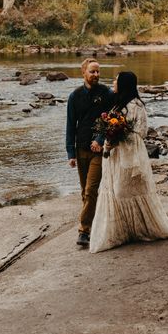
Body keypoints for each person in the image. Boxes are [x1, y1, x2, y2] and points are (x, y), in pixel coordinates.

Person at [90, 71, 168, 253]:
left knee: (127, 189)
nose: (113, 82)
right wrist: (110, 135)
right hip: (115, 154)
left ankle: (139, 228)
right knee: (114, 190)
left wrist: (119, 134)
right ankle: (121, 231)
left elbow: (142, 131)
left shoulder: (136, 105)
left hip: (129, 154)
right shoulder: (117, 104)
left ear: (124, 84)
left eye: (116, 80)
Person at [66, 58, 113, 246]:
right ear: (83, 73)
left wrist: (100, 140)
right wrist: (70, 153)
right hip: (80, 148)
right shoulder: (74, 96)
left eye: (98, 72)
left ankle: (83, 231)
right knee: (85, 192)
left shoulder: (107, 94)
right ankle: (94, 225)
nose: (96, 75)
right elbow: (70, 126)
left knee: (91, 189)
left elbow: (111, 119)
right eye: (92, 71)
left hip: (98, 151)